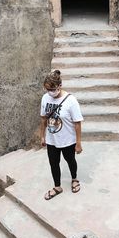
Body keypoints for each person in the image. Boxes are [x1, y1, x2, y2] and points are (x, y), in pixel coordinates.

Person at [39, 69, 83, 200]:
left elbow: (77, 123)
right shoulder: (45, 98)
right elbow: (43, 119)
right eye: (47, 89)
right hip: (52, 139)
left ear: (59, 86)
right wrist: (42, 136)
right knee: (53, 163)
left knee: (70, 160)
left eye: (52, 89)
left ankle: (74, 179)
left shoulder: (71, 101)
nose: (50, 92)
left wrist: (78, 143)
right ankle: (57, 187)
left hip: (68, 140)